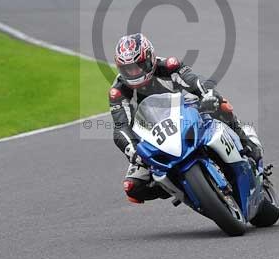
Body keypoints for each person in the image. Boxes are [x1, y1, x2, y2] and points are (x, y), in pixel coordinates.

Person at [109, 33, 263, 203]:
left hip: (185, 113)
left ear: (149, 58)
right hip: (154, 137)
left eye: (137, 66)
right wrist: (134, 151)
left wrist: (205, 96)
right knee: (132, 188)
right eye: (127, 69)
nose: (133, 73)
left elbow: (194, 81)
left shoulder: (168, 66)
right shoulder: (118, 92)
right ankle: (178, 187)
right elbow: (121, 127)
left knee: (219, 102)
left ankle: (246, 141)